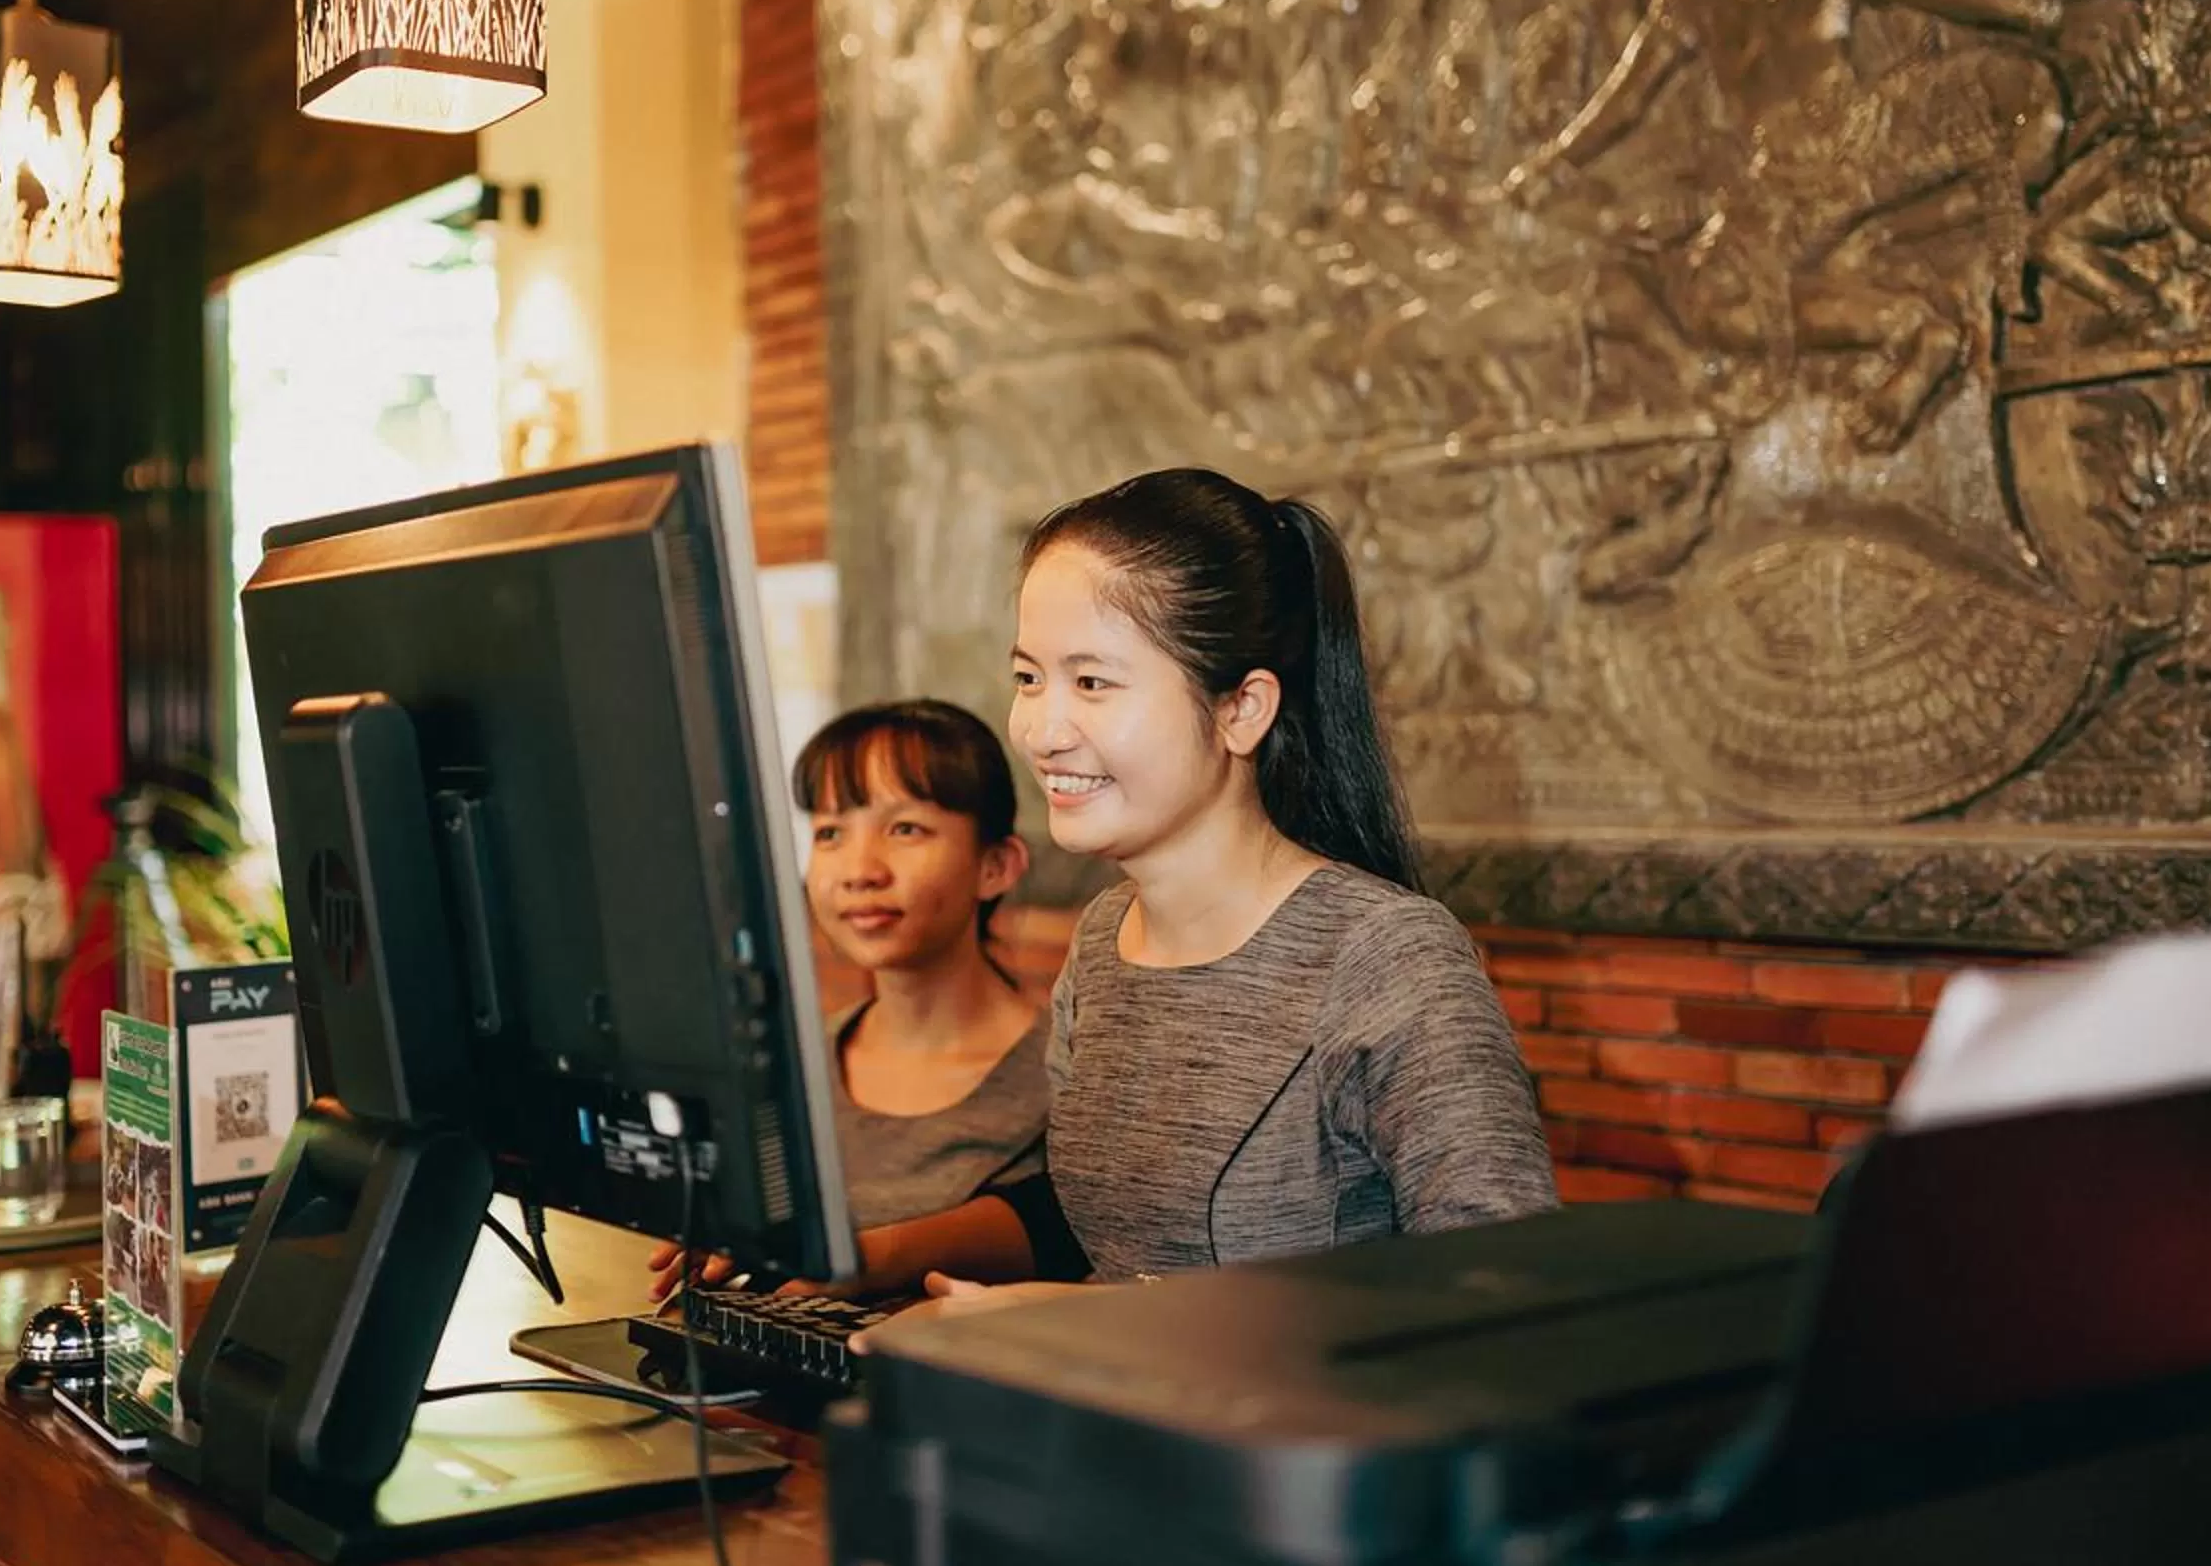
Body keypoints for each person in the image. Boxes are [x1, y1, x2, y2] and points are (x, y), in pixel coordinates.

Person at [883, 466, 1557, 1332]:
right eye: (1028, 678)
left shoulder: (1386, 954)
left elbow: (1507, 1291)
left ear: (1242, 709)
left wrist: (1099, 1325)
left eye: (1092, 683)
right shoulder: (1103, 941)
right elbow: (1119, 1252)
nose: (1042, 732)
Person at [649, 700, 1052, 1300]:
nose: (859, 871)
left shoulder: (1070, 1078)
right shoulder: (784, 1071)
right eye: (830, 833)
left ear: (995, 866)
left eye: (905, 828)